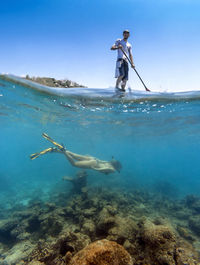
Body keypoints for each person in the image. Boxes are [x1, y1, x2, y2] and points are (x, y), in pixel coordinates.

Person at [30, 133, 122, 175]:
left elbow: (104, 161)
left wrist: (92, 158)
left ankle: (55, 150)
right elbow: (105, 168)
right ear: (117, 167)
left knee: (73, 155)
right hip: (94, 164)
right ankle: (62, 150)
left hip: (93, 159)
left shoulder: (109, 162)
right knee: (74, 164)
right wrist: (96, 169)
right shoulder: (113, 169)